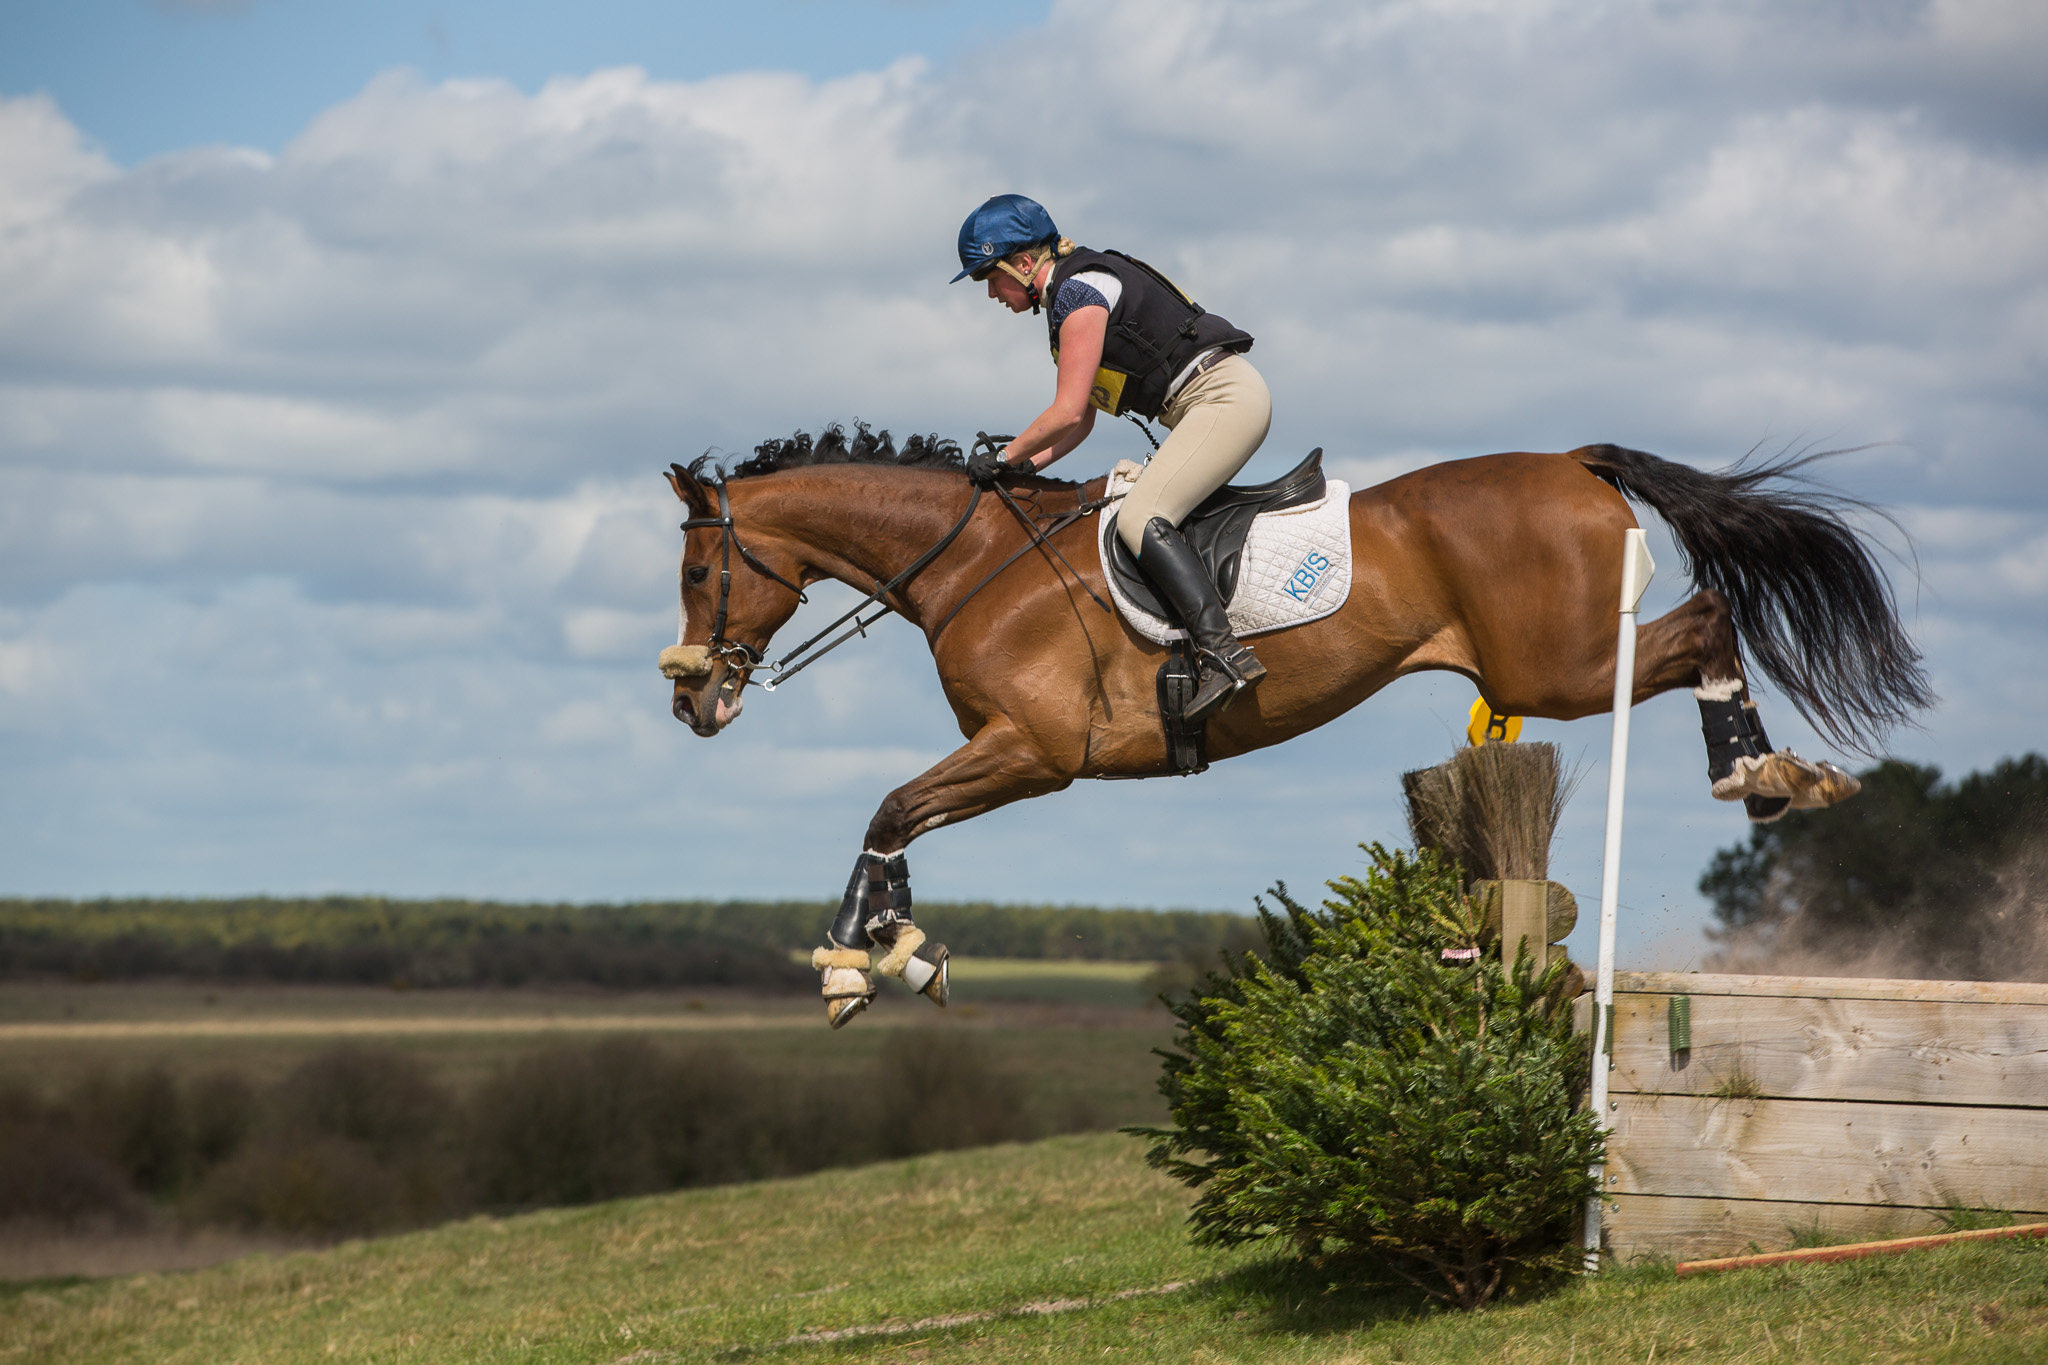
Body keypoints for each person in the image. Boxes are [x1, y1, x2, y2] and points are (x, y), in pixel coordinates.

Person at [952, 194, 1272, 723]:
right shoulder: (1071, 294)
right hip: (1208, 402)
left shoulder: (1078, 292)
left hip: (1220, 399)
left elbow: (1066, 409)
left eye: (990, 276)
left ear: (1024, 263)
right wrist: (1023, 468)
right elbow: (1083, 421)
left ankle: (1223, 654)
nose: (991, 293)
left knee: (1141, 515)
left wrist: (1004, 455)